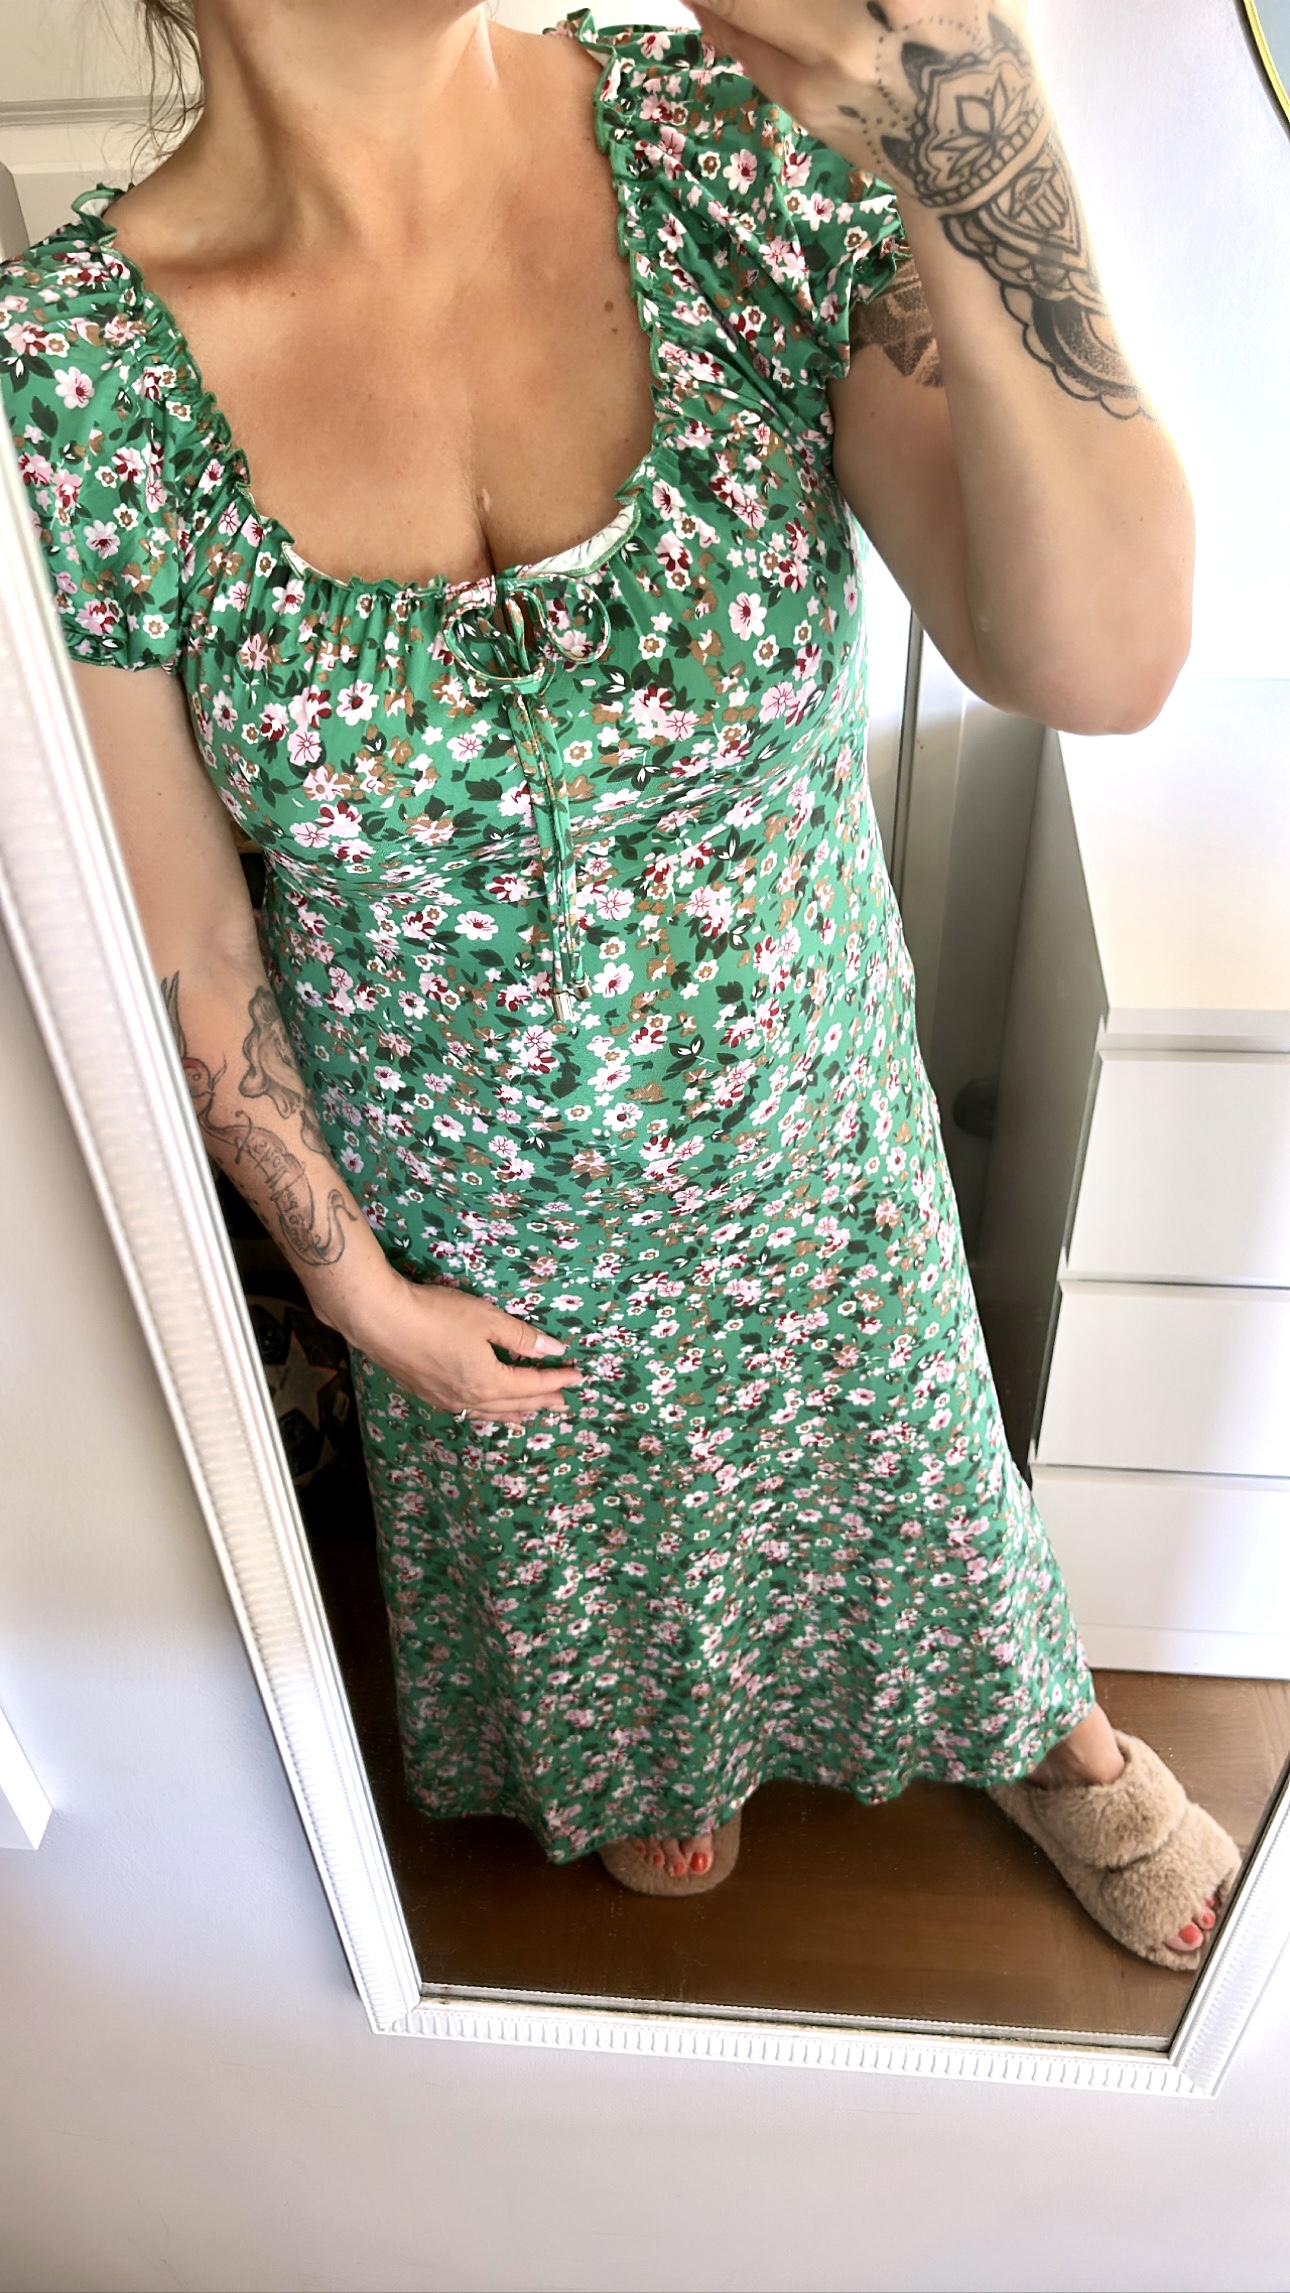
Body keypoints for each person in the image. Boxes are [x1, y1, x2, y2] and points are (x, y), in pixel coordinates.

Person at [0, 0, 1239, 1966]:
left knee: (913, 1467)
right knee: (616, 1639)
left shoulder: (729, 151)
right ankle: (659, 1741)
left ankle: (1044, 1727)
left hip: (806, 1145)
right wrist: (351, 1282)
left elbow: (1097, 661)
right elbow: (187, 932)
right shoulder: (73, 378)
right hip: (472, 1231)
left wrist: (974, 134)